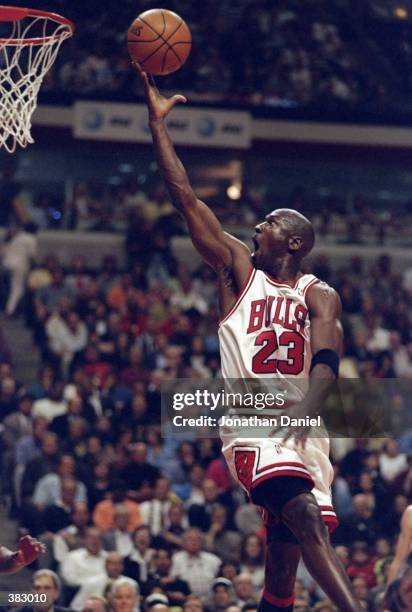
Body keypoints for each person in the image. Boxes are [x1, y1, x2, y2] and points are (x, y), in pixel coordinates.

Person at [136, 63, 361, 612]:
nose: (257, 227)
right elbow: (185, 197)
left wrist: (306, 411)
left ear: (294, 241)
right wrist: (158, 127)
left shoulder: (319, 292)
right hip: (253, 422)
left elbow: (326, 359)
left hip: (303, 423)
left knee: (284, 565)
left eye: (269, 223)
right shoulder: (238, 267)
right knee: (305, 518)